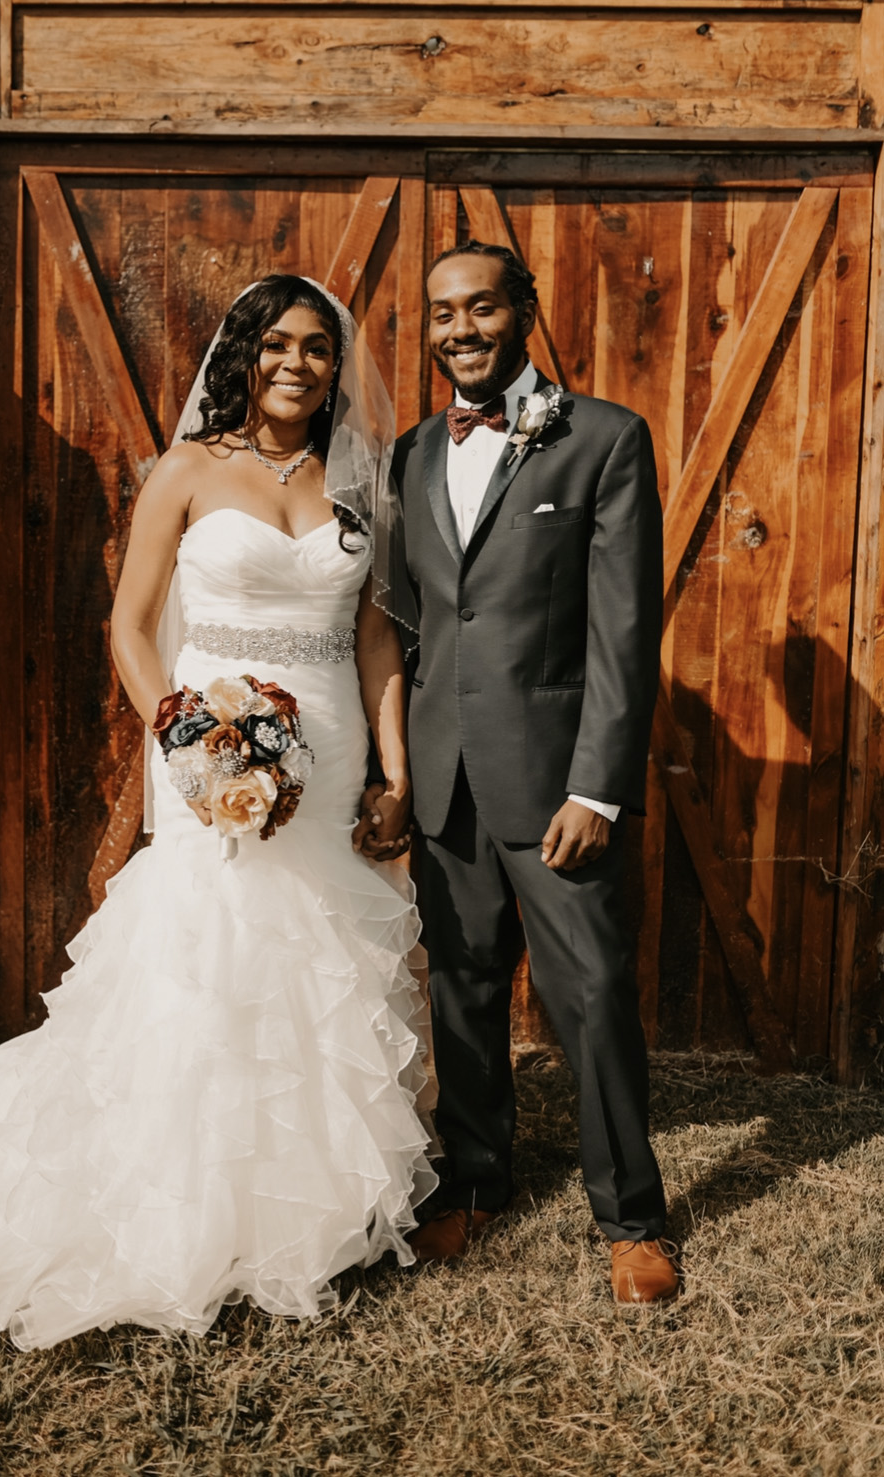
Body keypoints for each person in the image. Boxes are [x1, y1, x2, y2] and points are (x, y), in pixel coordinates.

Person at [0, 275, 435, 1350]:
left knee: (320, 958)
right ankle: (190, 1202)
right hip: (214, 749)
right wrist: (185, 738)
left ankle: (307, 1206)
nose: (299, 365)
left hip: (335, 754)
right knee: (210, 960)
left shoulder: (354, 479)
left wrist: (393, 778)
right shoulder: (188, 469)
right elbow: (130, 626)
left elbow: (374, 638)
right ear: (246, 358)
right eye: (278, 346)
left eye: (318, 348)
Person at [364, 240, 679, 1304]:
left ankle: (632, 1216)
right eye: (443, 313)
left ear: (524, 311)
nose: (461, 330)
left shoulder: (604, 439)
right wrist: (392, 768)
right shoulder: (410, 452)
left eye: (483, 308)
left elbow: (624, 633)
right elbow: (404, 627)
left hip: (556, 786)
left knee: (592, 997)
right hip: (446, 779)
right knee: (460, 995)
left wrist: (597, 788)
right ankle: (477, 1184)